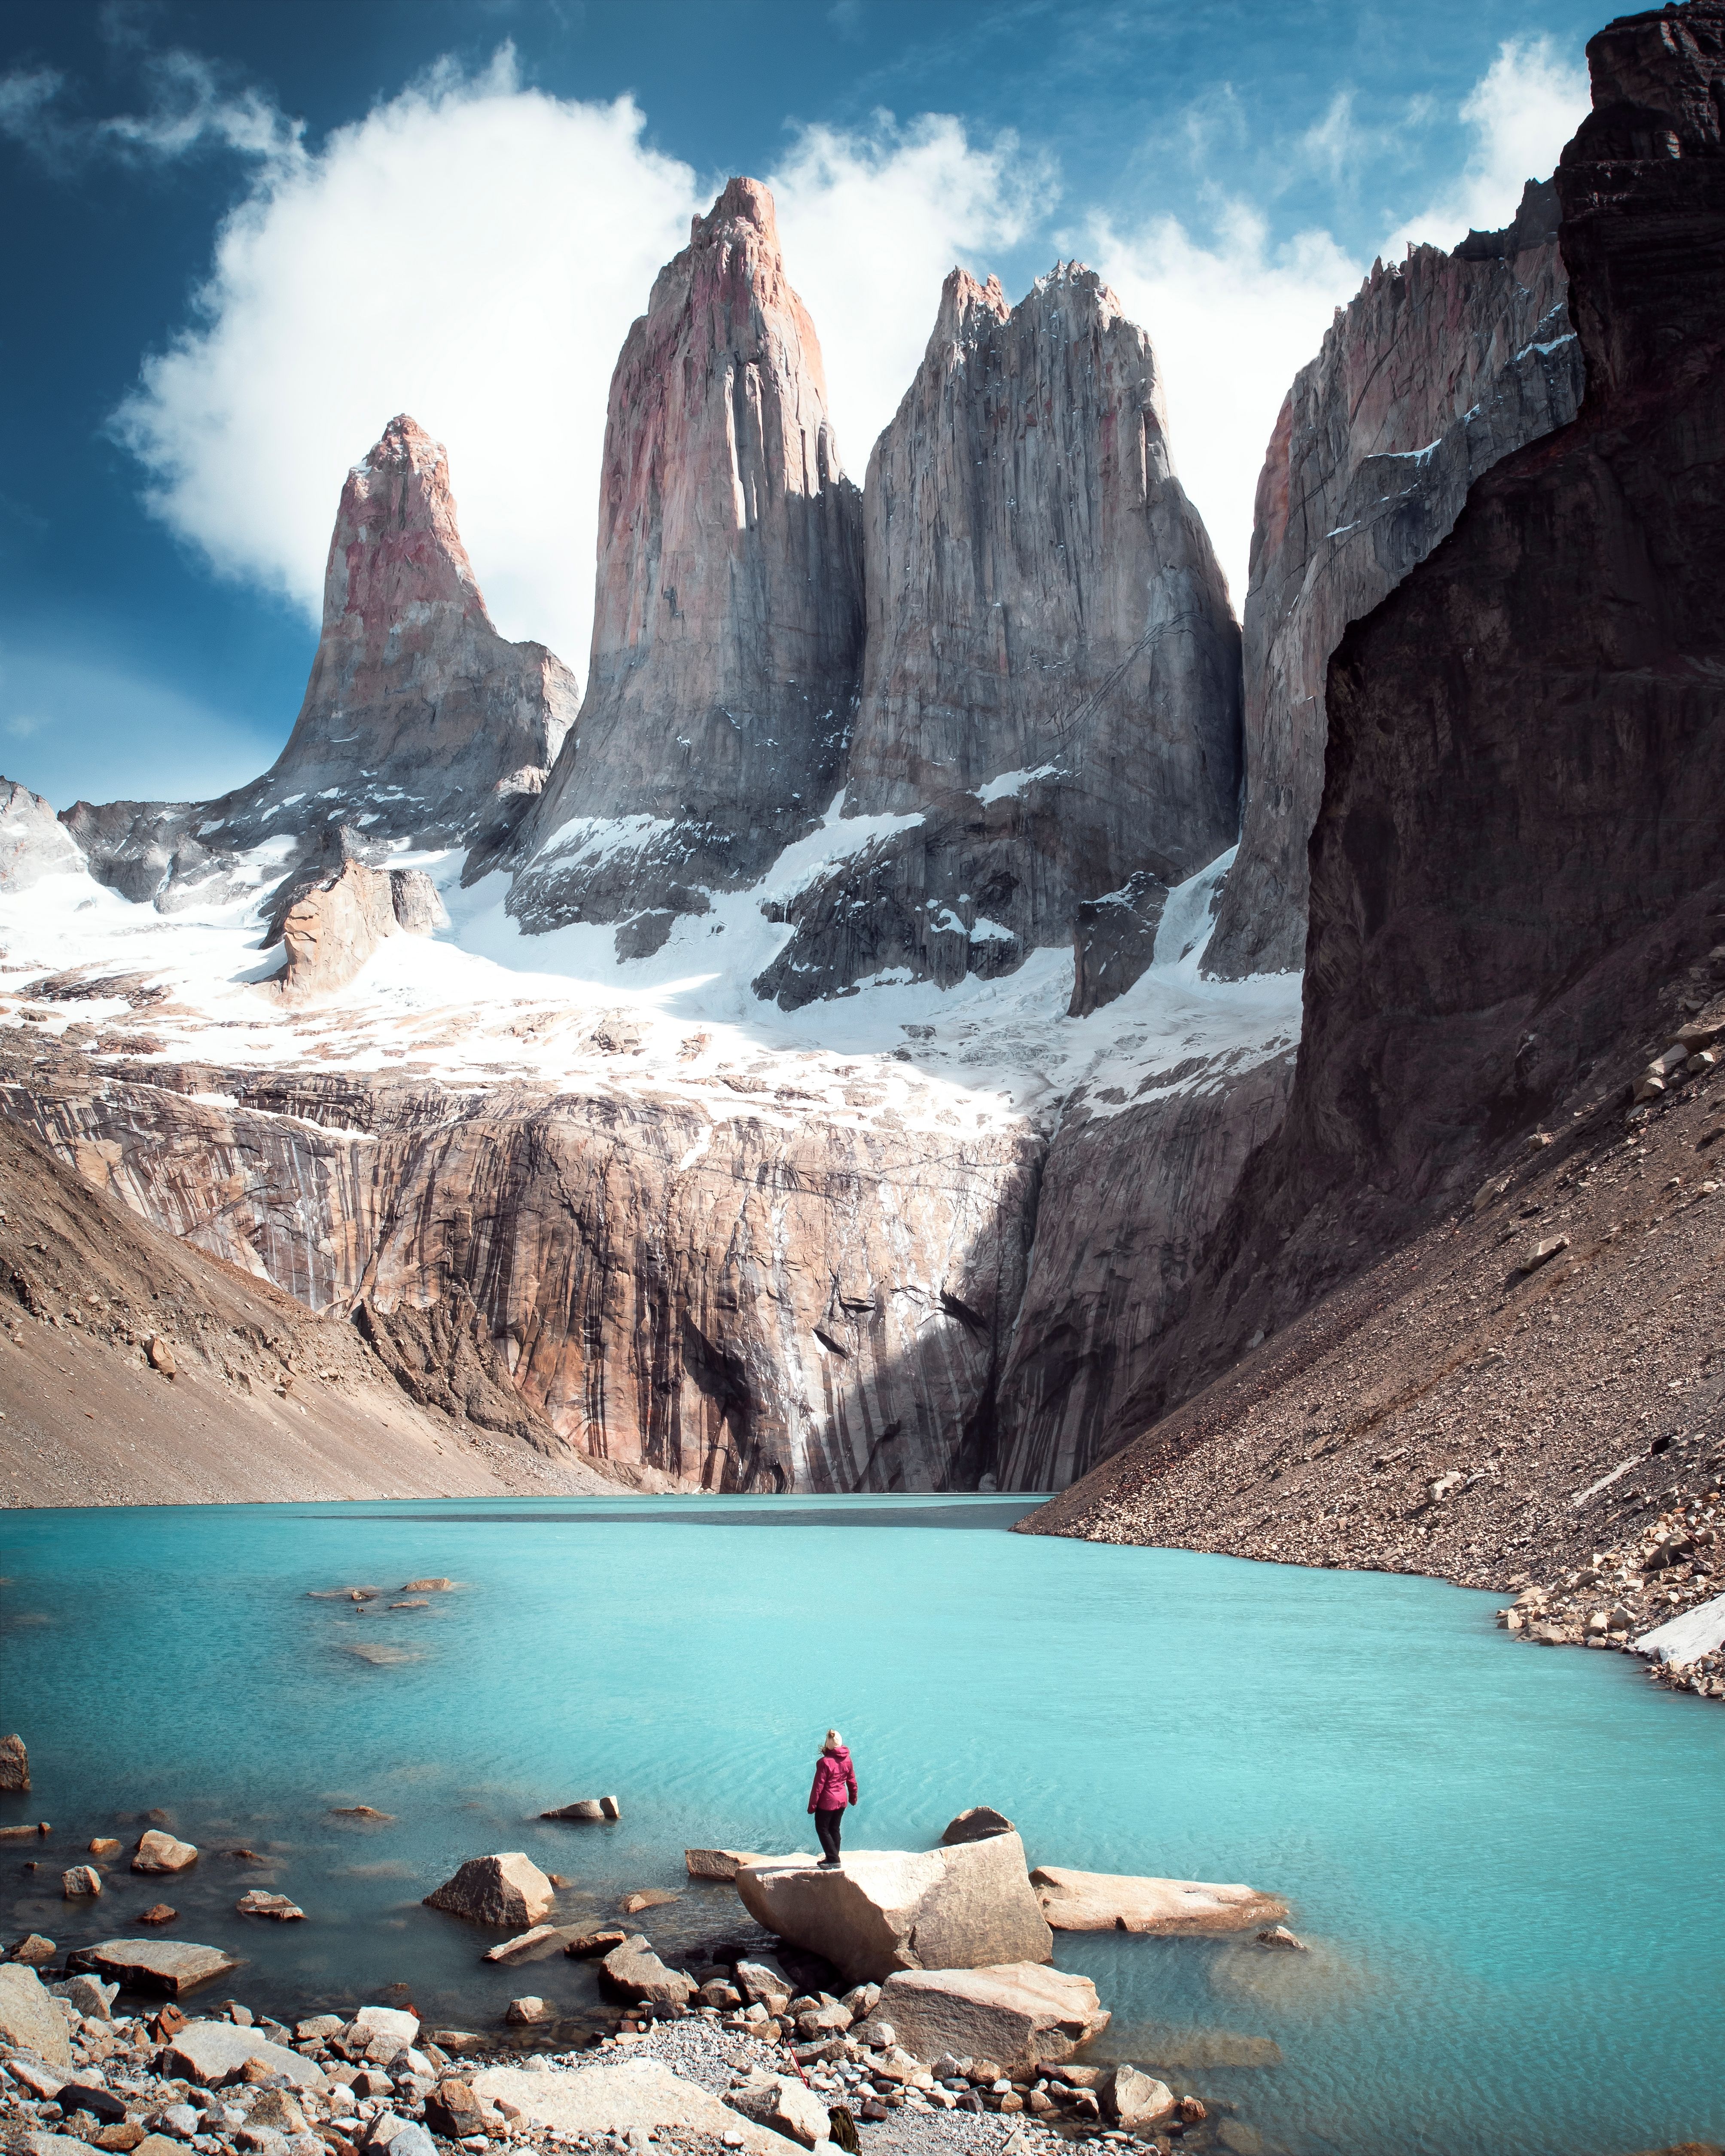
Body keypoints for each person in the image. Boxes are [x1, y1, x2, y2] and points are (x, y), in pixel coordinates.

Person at [807, 1727, 857, 1867]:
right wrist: (853, 1797)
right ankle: (833, 1856)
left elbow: (818, 1787)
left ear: (827, 1744)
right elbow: (852, 1781)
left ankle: (833, 1860)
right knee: (835, 1828)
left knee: (822, 1828)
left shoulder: (824, 1763)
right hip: (842, 1801)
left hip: (828, 1803)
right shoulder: (848, 1760)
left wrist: (812, 1806)